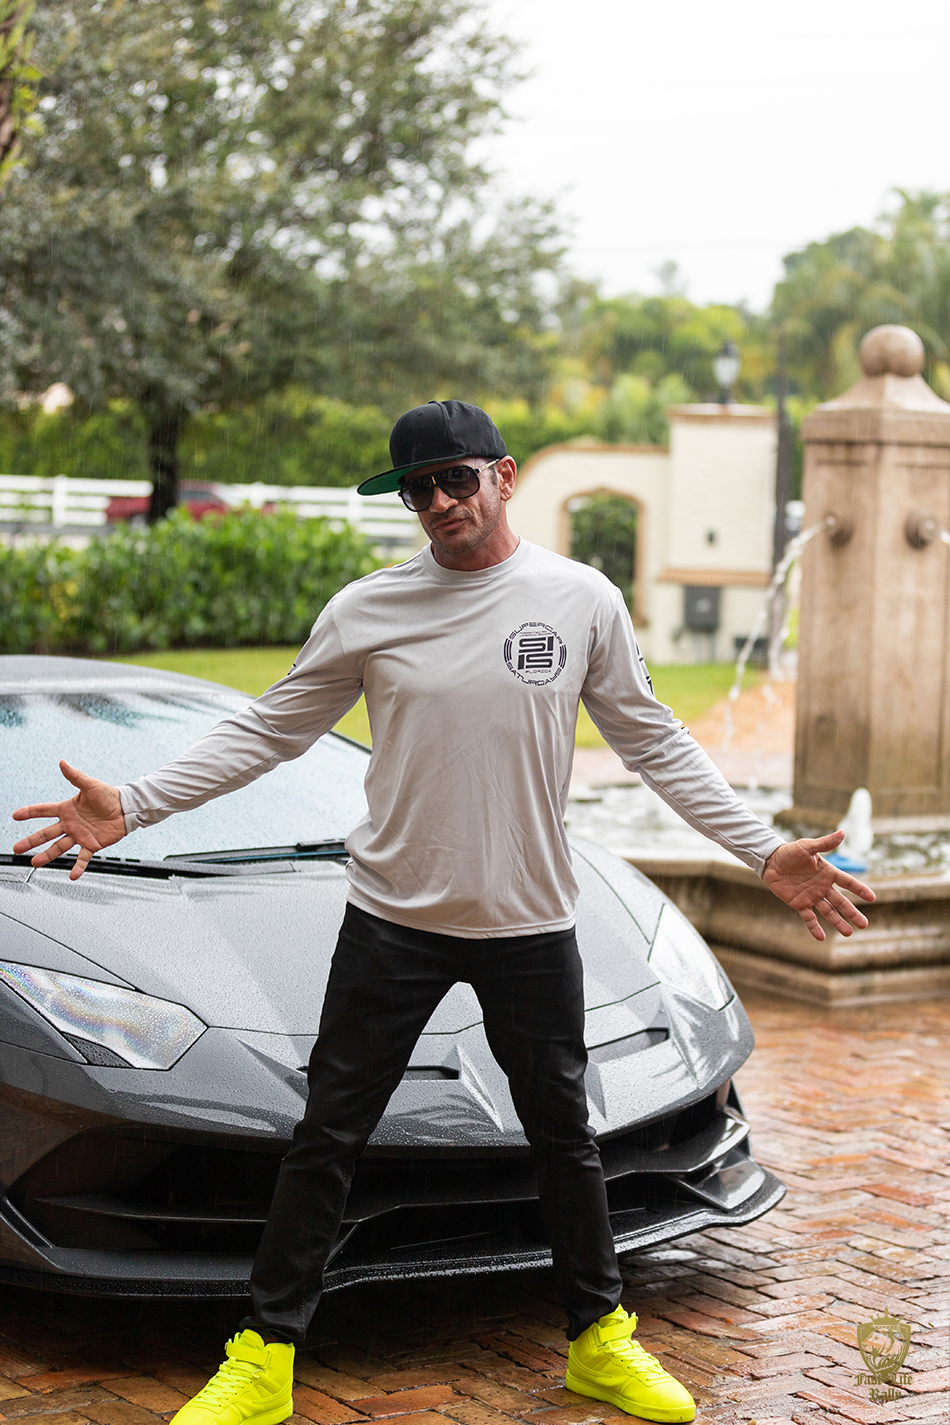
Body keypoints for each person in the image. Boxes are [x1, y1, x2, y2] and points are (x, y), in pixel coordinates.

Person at [13, 401, 874, 1425]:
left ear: (502, 476)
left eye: (454, 479)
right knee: (326, 1136)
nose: (436, 502)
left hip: (528, 923)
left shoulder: (579, 600)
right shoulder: (369, 609)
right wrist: (136, 803)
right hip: (393, 923)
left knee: (565, 1136)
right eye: (416, 489)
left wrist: (762, 850)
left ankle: (599, 1340)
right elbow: (269, 730)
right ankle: (263, 1358)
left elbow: (653, 740)